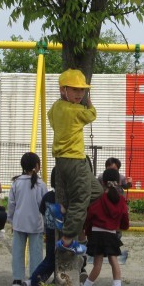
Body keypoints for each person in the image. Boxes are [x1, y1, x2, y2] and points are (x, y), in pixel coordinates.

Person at [48, 68, 103, 255]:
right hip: (74, 159)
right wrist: (89, 102)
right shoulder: (77, 111)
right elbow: (92, 114)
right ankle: (67, 240)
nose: (80, 94)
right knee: (81, 200)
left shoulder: (56, 107)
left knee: (96, 191)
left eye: (82, 90)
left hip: (64, 160)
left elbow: (50, 117)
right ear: (63, 89)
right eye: (75, 89)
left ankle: (62, 209)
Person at [80, 168, 130, 286]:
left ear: (103, 182)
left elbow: (89, 217)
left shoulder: (98, 199)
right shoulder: (121, 200)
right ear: (119, 181)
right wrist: (122, 226)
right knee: (114, 261)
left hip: (97, 234)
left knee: (97, 264)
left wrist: (86, 231)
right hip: (111, 234)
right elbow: (125, 219)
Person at [7, 152, 47, 286]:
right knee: (36, 253)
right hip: (36, 224)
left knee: (17, 252)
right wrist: (45, 225)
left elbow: (11, 204)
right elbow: (44, 206)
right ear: (37, 166)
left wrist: (11, 220)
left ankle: (17, 279)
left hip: (19, 223)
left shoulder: (16, 182)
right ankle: (34, 279)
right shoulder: (41, 184)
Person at [21, 168, 57, 286]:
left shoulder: (48, 196)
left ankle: (36, 282)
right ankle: (32, 282)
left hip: (50, 231)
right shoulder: (63, 199)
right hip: (60, 233)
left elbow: (42, 210)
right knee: (51, 261)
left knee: (51, 259)